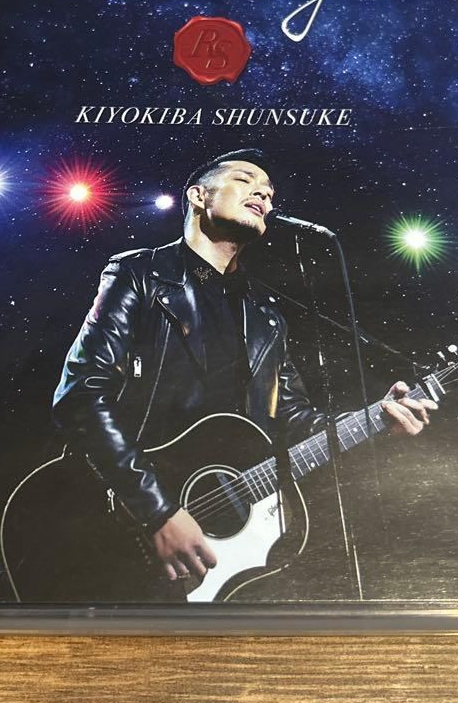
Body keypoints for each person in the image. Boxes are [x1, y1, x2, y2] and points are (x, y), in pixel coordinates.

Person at [52, 148, 436, 586]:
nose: (264, 194)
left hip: (212, 536)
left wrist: (372, 420)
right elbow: (81, 397)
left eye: (269, 192)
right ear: (198, 196)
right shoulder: (139, 274)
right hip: (114, 520)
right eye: (245, 180)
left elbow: (291, 420)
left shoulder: (265, 315)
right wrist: (157, 511)